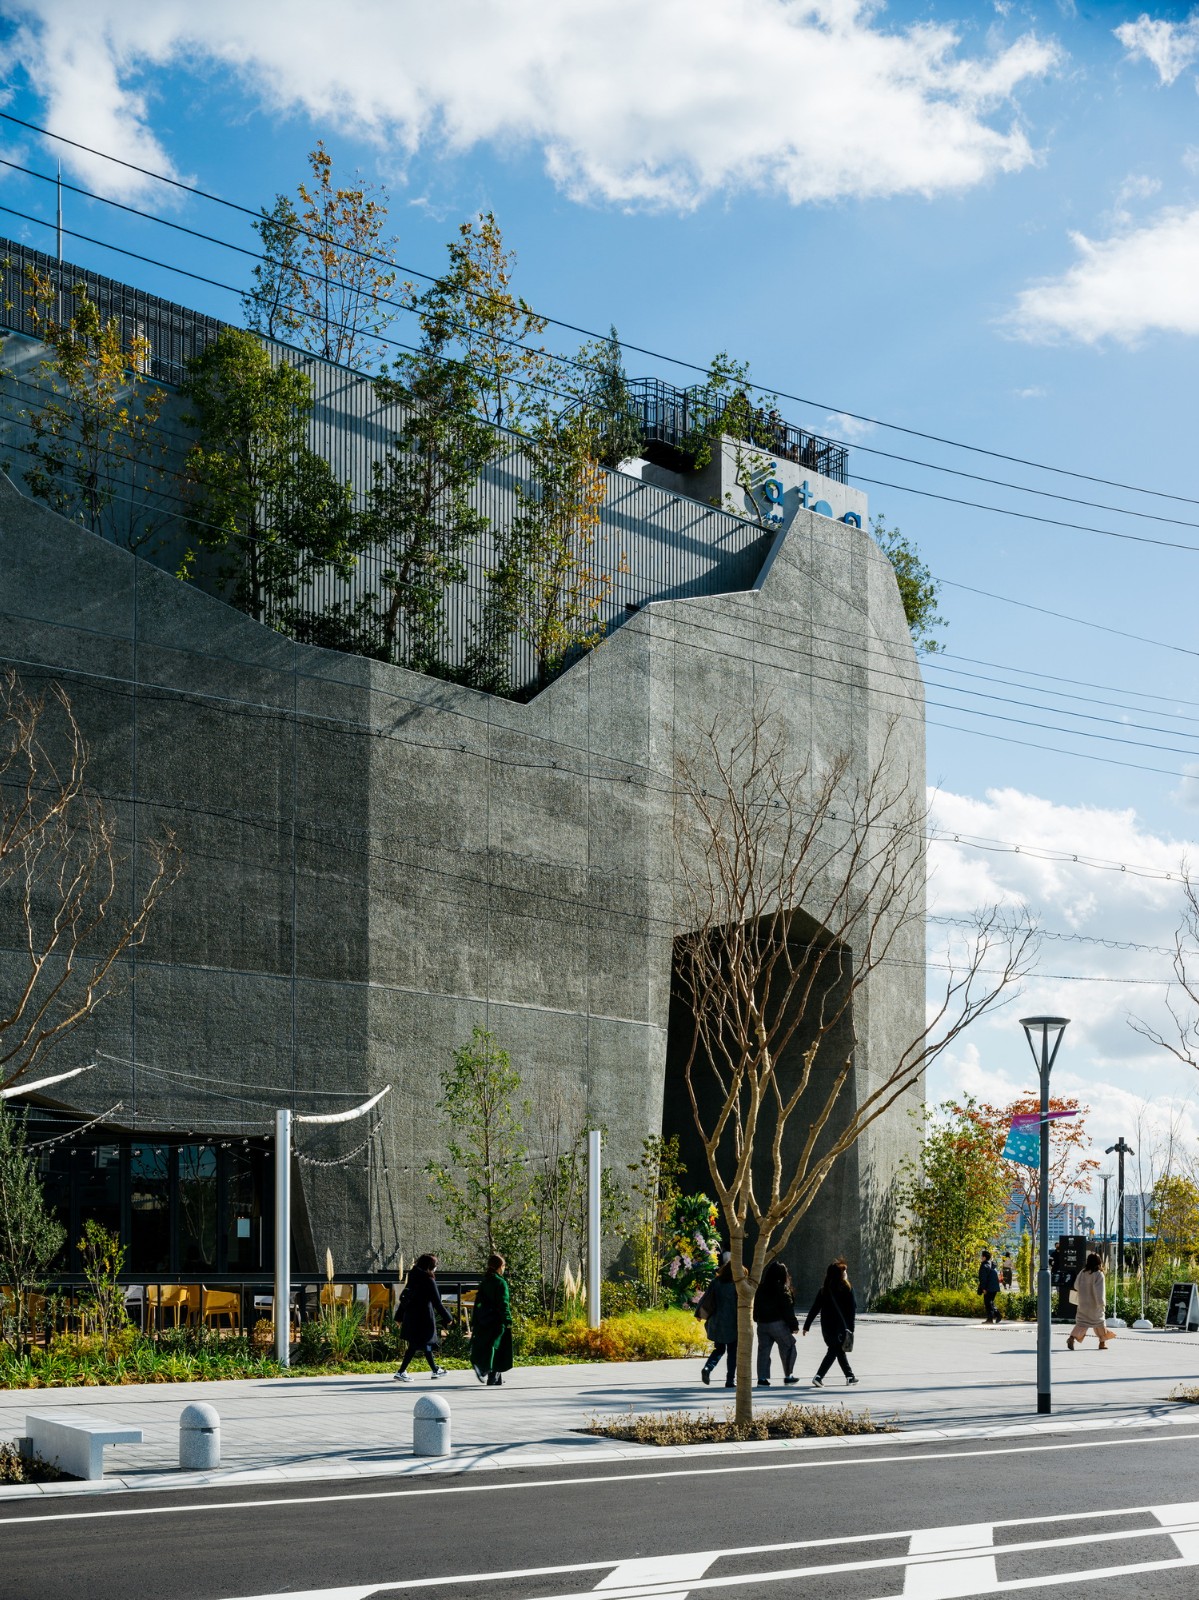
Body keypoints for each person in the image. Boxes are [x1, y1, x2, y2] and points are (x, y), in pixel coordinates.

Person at [393, 1253, 451, 1382]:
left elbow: (405, 1299)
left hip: (411, 1317)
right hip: (424, 1318)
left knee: (425, 1344)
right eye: (435, 1266)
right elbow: (437, 1302)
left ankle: (435, 1370)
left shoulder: (413, 1277)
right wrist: (447, 1317)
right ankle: (401, 1372)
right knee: (416, 1345)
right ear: (430, 1266)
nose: (436, 1268)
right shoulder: (428, 1280)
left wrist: (399, 1316)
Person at [803, 1258, 857, 1387]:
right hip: (840, 1328)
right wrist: (851, 1328)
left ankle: (850, 1376)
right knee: (834, 1350)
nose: (846, 1273)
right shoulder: (847, 1289)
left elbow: (815, 1308)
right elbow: (852, 1310)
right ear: (840, 1275)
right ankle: (819, 1376)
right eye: (844, 1272)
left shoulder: (824, 1290)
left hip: (827, 1328)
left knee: (838, 1350)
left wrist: (807, 1326)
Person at [753, 1260, 799, 1387]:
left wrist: (756, 1318)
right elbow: (788, 1309)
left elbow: (756, 1305)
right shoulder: (782, 1289)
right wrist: (794, 1326)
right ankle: (788, 1375)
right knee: (789, 1346)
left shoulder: (761, 1288)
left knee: (763, 1351)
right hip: (777, 1324)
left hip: (762, 1324)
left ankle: (762, 1379)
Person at [470, 1253, 513, 1387]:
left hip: (484, 1320)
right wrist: (508, 1320)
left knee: (492, 1346)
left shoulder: (485, 1281)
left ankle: (495, 1379)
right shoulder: (500, 1282)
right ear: (500, 1266)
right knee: (498, 1347)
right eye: (504, 1266)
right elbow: (503, 1303)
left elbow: (478, 1301)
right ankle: (486, 1372)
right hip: (497, 1320)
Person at [697, 1254, 738, 1388]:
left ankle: (708, 1368)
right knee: (733, 1352)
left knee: (719, 1349)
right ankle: (730, 1380)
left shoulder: (717, 1281)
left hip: (717, 1321)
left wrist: (699, 1313)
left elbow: (706, 1297)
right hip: (733, 1323)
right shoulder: (737, 1284)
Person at [1067, 1252, 1114, 1351]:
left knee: (1081, 1323)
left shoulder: (1082, 1272)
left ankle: (1072, 1338)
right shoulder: (1099, 1274)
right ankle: (1102, 1343)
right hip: (1095, 1304)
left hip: (1083, 1303)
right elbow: (1100, 1291)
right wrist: (1102, 1304)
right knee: (1100, 1323)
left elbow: (1076, 1286)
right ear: (1099, 1262)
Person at [978, 1250, 1002, 1324]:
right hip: (995, 1287)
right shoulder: (992, 1264)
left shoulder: (984, 1265)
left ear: (984, 1257)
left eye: (981, 1256)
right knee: (990, 1302)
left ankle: (994, 1317)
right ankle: (992, 1318)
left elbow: (983, 1278)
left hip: (988, 1287)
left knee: (988, 1303)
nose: (981, 1257)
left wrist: (983, 1288)